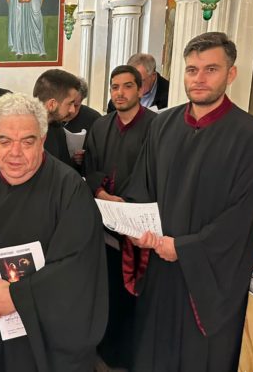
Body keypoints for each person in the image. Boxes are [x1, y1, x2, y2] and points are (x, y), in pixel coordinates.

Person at [123, 32, 253, 371]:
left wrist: (184, 248)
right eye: (192, 70)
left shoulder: (251, 136)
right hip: (159, 270)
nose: (199, 79)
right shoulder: (162, 125)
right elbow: (142, 187)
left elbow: (243, 217)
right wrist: (135, 228)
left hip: (208, 279)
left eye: (211, 69)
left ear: (231, 74)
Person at [0, 93, 107, 372]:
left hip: (44, 337)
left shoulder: (69, 189)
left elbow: (78, 267)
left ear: (42, 140)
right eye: (5, 141)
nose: (15, 152)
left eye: (27, 141)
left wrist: (19, 297)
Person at [83, 65, 156, 370]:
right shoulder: (100, 126)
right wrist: (101, 192)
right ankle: (105, 348)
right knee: (106, 287)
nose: (120, 93)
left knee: (137, 294)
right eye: (115, 87)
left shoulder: (156, 126)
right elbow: (89, 165)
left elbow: (156, 172)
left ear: (141, 89)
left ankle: (131, 353)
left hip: (139, 224)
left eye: (127, 86)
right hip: (104, 219)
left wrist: (128, 202)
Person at [0, 69, 80, 169]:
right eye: (70, 103)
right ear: (52, 104)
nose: (72, 110)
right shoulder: (1, 128)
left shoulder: (57, 130)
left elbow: (64, 172)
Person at [63, 77, 100, 166]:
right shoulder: (52, 117)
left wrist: (86, 157)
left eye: (76, 105)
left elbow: (101, 154)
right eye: (68, 104)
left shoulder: (95, 119)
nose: (71, 110)